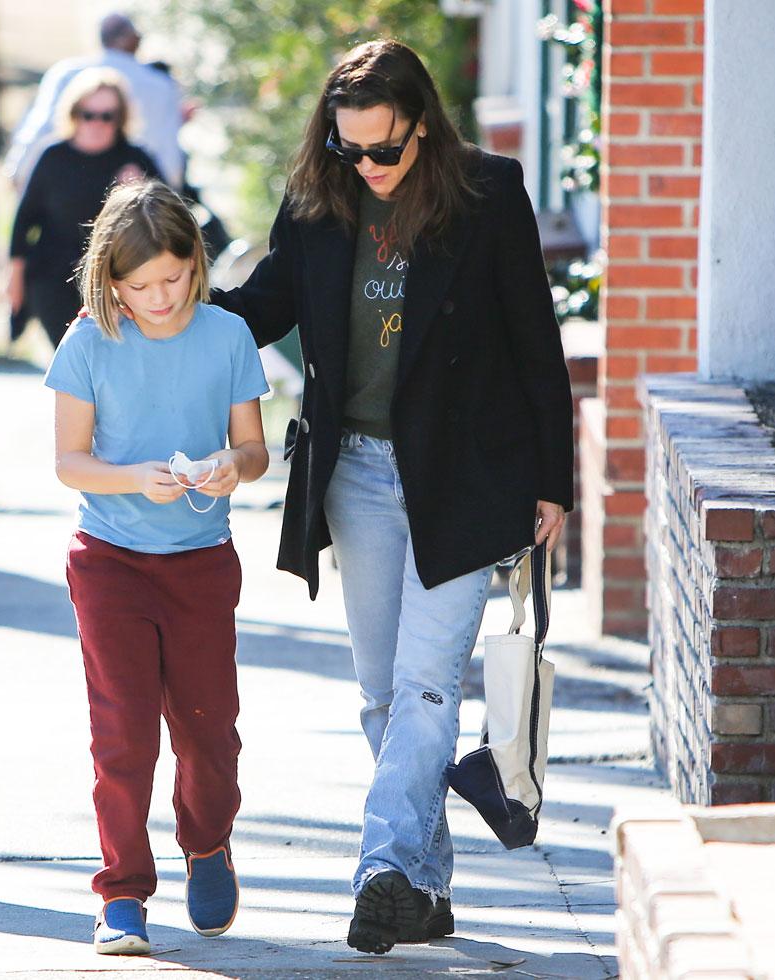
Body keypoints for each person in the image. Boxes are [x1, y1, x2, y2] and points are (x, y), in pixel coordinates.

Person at [210, 39, 574, 954]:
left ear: (423, 129)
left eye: (385, 148)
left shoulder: (488, 196)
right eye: (350, 149)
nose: (367, 166)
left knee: (424, 684)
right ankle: (423, 886)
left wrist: (553, 483)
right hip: (358, 478)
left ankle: (379, 870)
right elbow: (263, 309)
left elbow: (538, 341)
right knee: (381, 694)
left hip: (467, 478)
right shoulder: (315, 206)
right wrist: (165, 302)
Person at [46, 180, 270, 955]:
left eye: (173, 279)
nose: (160, 297)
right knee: (124, 735)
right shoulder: (86, 345)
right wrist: (134, 475)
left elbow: (255, 450)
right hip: (110, 563)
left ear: (194, 265)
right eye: (140, 287)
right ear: (111, 282)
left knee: (210, 734)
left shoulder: (227, 337)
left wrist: (226, 466)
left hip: (202, 564)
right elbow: (69, 463)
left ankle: (207, 842)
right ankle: (122, 895)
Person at [9, 69, 158, 348]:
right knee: (71, 359)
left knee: (111, 361)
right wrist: (15, 281)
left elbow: (165, 222)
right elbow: (24, 220)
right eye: (88, 114)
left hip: (115, 281)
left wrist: (140, 191)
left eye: (107, 116)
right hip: (53, 278)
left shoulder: (135, 159)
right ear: (74, 113)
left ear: (120, 118)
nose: (96, 123)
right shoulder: (53, 156)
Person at [5, 13, 184, 192]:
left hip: (70, 185)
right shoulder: (160, 85)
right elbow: (168, 149)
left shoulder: (65, 73)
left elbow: (41, 128)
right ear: (133, 40)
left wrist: (18, 172)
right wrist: (169, 194)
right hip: (134, 191)